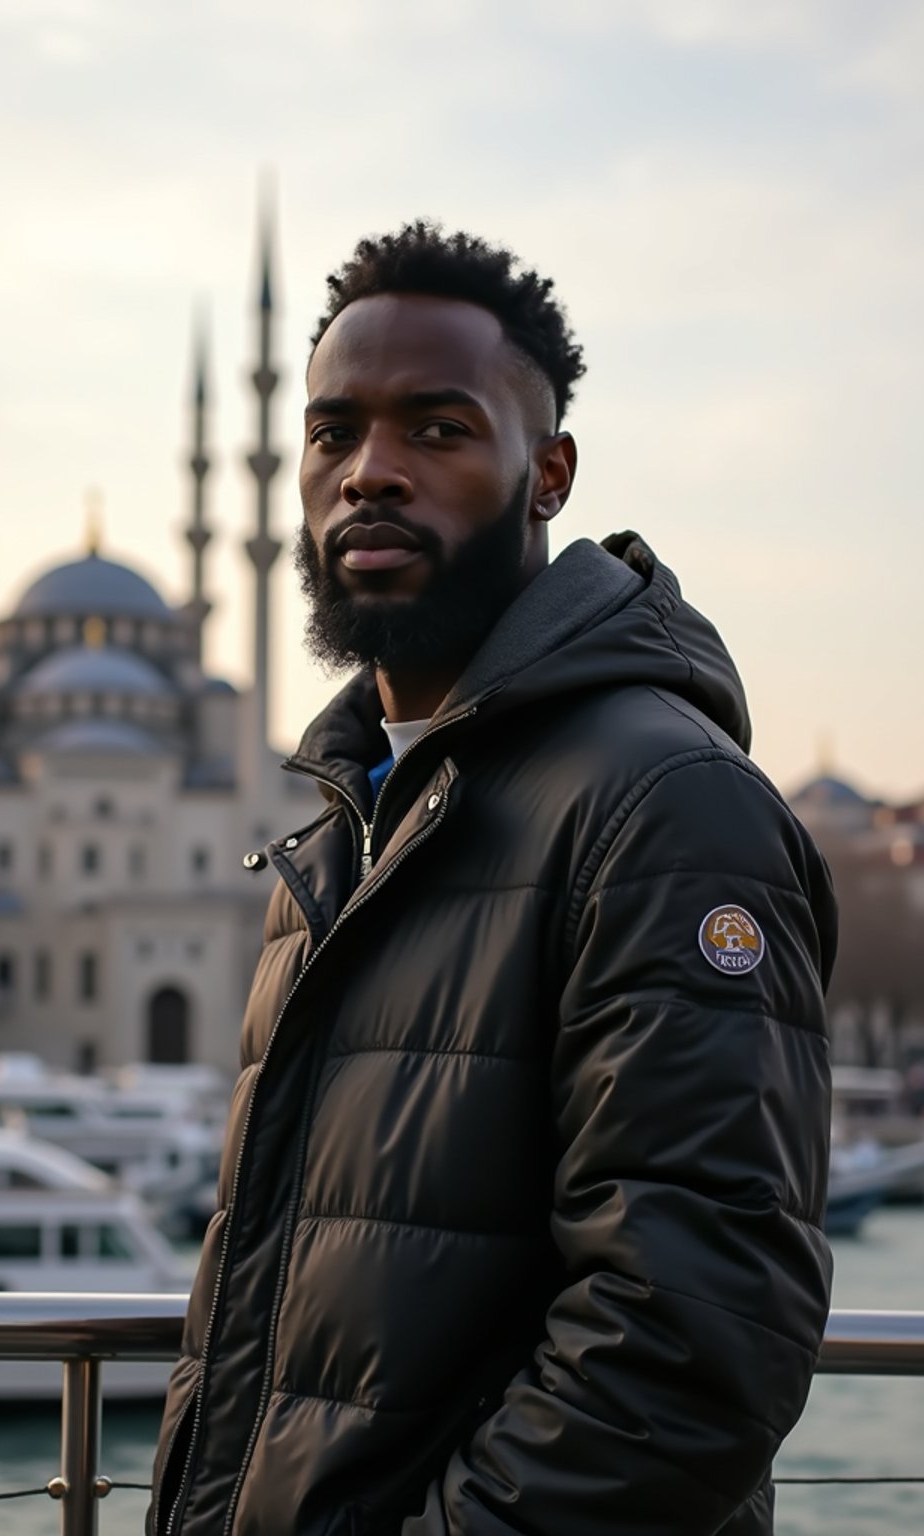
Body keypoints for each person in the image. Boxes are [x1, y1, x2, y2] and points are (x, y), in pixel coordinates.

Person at [148, 222, 836, 1536]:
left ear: (548, 473)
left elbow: (686, 1351)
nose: (370, 475)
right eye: (334, 432)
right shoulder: (345, 824)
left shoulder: (663, 807)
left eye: (439, 430)